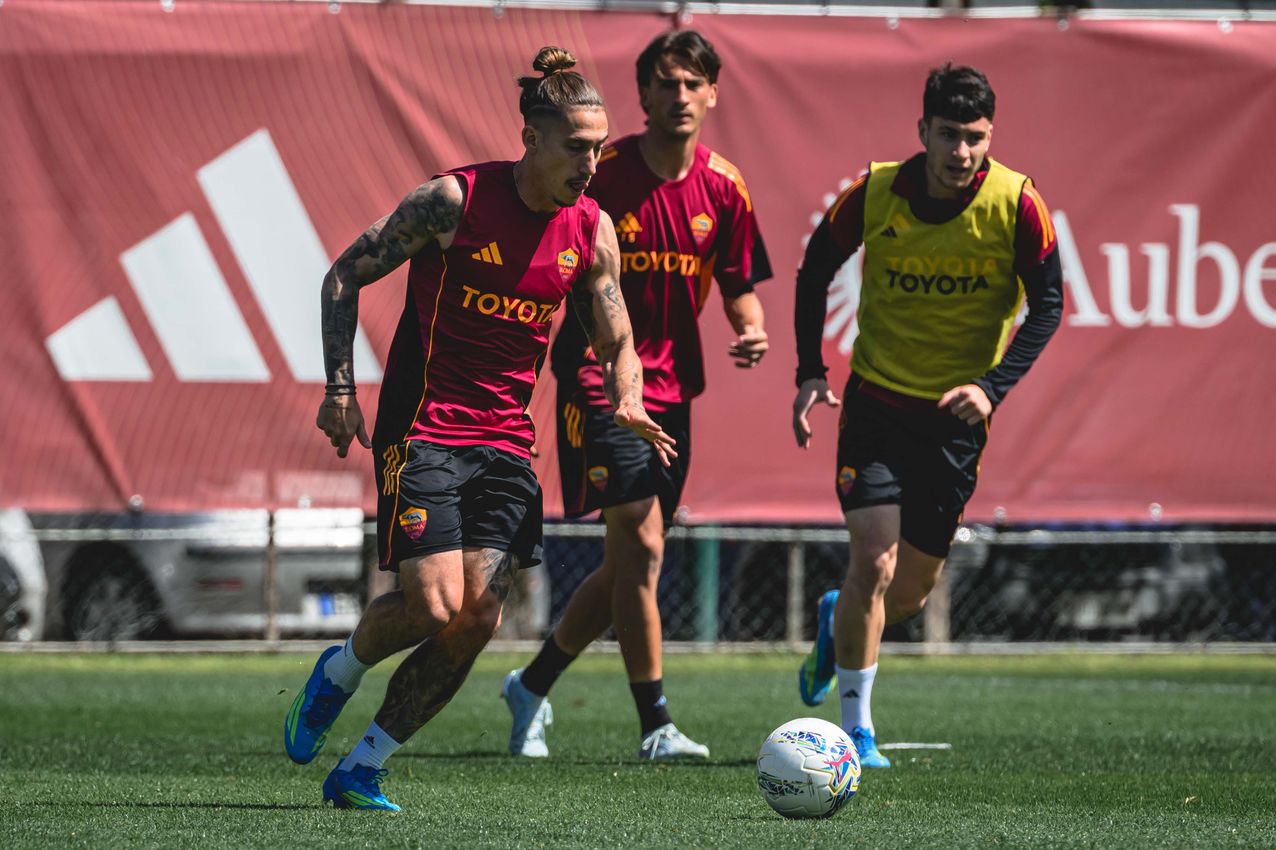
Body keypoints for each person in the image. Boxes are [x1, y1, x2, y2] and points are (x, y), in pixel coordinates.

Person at [283, 47, 675, 811]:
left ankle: (363, 765)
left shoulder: (592, 230)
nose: (591, 164)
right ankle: (337, 673)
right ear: (530, 137)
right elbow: (343, 276)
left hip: (504, 442)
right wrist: (339, 388)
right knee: (431, 606)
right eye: (576, 147)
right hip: (422, 428)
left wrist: (627, 396)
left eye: (598, 148)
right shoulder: (451, 203)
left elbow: (616, 337)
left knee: (478, 617)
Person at [501, 30, 771, 761]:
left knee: (629, 564)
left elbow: (741, 285)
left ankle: (532, 683)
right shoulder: (602, 172)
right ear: (643, 93)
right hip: (598, 376)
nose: (679, 95)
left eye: (693, 83)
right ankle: (656, 725)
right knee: (643, 542)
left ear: (712, 93)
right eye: (666, 82)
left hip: (675, 388)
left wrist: (751, 330)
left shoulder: (726, 188)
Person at [791, 63, 1063, 768]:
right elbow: (815, 268)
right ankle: (857, 732)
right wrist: (810, 372)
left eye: (974, 137)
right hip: (877, 404)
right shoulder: (876, 191)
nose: (961, 152)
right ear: (923, 132)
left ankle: (834, 619)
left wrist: (993, 386)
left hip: (954, 422)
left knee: (905, 594)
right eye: (948, 135)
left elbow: (1051, 304)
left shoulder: (1017, 204)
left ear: (989, 136)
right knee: (873, 561)